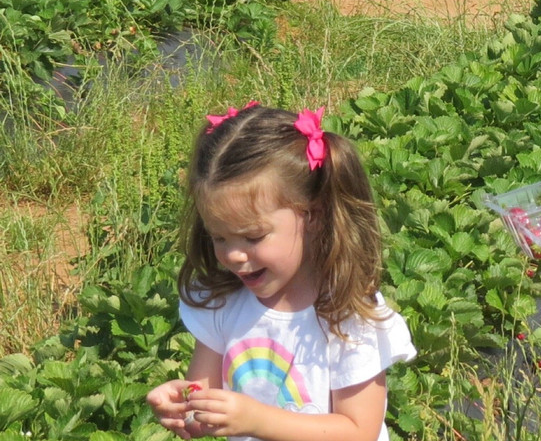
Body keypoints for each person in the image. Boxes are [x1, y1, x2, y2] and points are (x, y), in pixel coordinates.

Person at [147, 103, 416, 441]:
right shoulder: (224, 301)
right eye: (218, 236)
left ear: (313, 216)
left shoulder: (346, 314)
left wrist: (259, 421)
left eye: (253, 236)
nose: (233, 254)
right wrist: (183, 408)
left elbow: (358, 430)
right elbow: (204, 413)